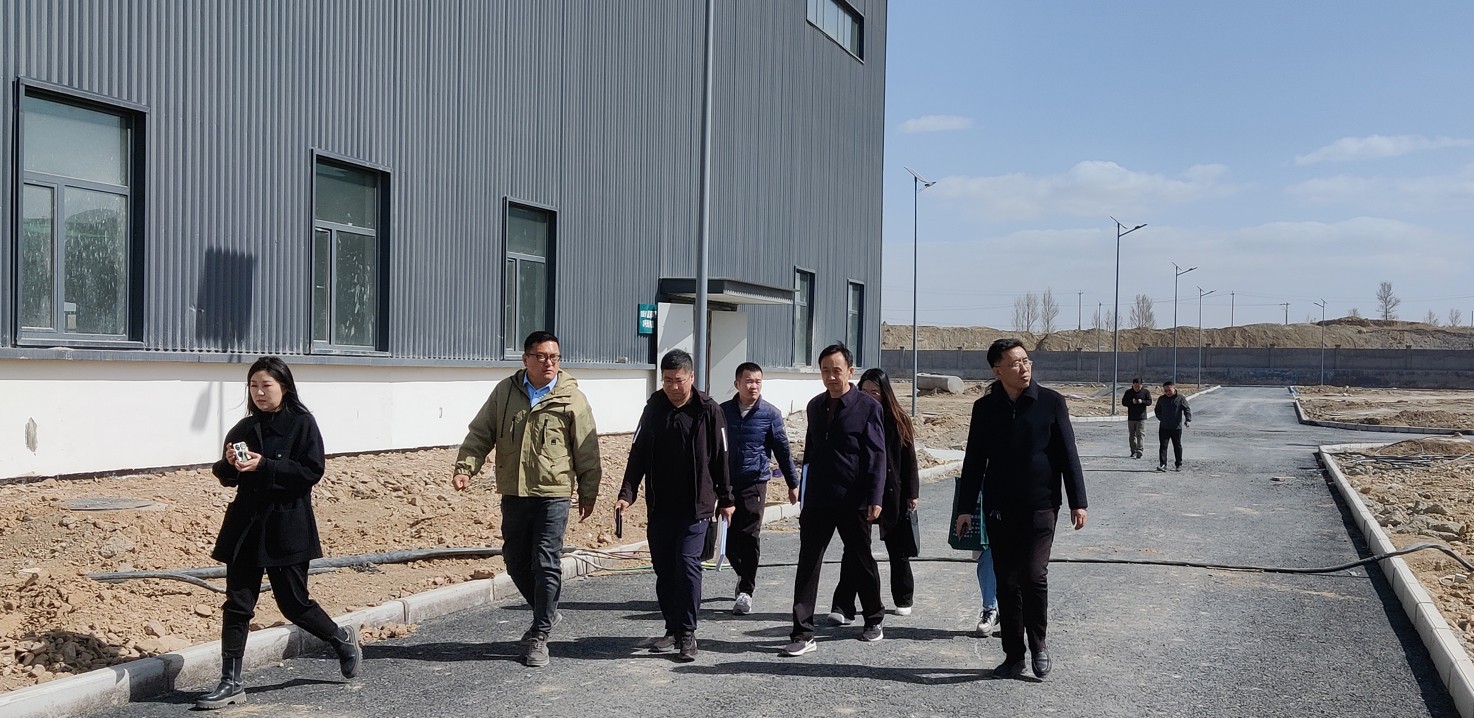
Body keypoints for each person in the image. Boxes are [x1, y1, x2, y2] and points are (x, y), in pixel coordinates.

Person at [197, 357, 360, 710]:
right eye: (254, 386)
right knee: (238, 605)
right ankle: (230, 682)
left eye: (266, 386)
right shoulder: (243, 428)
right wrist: (230, 464)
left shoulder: (302, 423)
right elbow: (226, 476)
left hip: (287, 526)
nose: (259, 393)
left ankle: (341, 638)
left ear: (284, 386)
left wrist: (266, 465)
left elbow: (311, 471)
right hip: (246, 526)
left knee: (294, 604)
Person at [451, 331, 603, 668]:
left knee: (546, 560)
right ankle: (545, 610)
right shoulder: (505, 392)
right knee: (515, 558)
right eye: (541, 356)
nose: (549, 363)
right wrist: (466, 467)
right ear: (526, 359)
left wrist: (588, 491)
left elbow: (587, 449)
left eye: (554, 357)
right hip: (515, 490)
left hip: (554, 492)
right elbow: (481, 432)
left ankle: (540, 634)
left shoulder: (571, 398)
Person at [955, 339, 1087, 680]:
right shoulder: (985, 409)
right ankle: (1014, 655)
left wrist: (1078, 501)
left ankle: (1038, 644)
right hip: (999, 509)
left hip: (1041, 505)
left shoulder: (1051, 402)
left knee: (1033, 575)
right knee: (1007, 581)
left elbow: (1068, 454)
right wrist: (965, 509)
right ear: (997, 370)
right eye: (1015, 363)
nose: (1024, 367)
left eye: (1026, 361)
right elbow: (974, 461)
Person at [616, 349, 735, 662]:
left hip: (696, 506)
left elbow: (722, 456)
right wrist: (627, 493)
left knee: (687, 564)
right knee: (665, 569)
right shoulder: (654, 408)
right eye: (667, 380)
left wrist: (727, 498)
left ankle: (688, 632)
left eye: (679, 380)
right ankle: (672, 627)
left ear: (691, 378)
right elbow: (638, 452)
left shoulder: (708, 410)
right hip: (661, 505)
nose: (673, 386)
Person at [780, 343, 887, 657]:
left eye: (836, 370)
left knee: (861, 559)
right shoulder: (815, 406)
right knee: (808, 563)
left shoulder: (868, 407)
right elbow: (810, 451)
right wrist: (800, 487)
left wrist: (875, 496)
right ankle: (802, 632)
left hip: (854, 499)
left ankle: (874, 617)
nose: (830, 376)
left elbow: (877, 455)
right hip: (818, 499)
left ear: (850, 371)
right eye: (825, 370)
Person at [830, 368, 919, 621]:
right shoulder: (852, 416)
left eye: (875, 392)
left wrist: (912, 492)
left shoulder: (898, 420)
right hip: (860, 492)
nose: (869, 396)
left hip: (892, 492)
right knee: (855, 550)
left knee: (897, 549)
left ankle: (903, 596)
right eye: (864, 391)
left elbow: (909, 460)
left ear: (885, 393)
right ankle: (843, 605)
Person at [719, 362, 799, 616]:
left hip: (755, 481)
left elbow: (783, 451)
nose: (753, 386)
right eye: (748, 381)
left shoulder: (770, 414)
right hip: (727, 483)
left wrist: (793, 483)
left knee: (750, 534)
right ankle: (743, 574)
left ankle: (746, 590)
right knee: (729, 538)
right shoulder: (722, 412)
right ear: (737, 384)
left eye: (757, 381)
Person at [1154, 380, 1192, 472]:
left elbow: (1186, 409)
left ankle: (1178, 464)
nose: (1167, 392)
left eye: (1169, 390)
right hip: (1164, 427)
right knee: (1163, 446)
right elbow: (1157, 410)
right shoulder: (1162, 399)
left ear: (1174, 388)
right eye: (1165, 391)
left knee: (1177, 446)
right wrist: (1161, 418)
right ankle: (1163, 464)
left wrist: (1188, 420)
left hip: (1176, 427)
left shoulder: (1180, 398)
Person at [1121, 377, 1152, 459]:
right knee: (1132, 436)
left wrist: (1142, 401)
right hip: (1131, 417)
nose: (1137, 388)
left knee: (1140, 434)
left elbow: (1149, 402)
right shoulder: (1128, 392)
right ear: (1132, 385)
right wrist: (1132, 402)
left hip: (1141, 417)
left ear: (1141, 385)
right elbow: (1124, 402)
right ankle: (1133, 450)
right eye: (1135, 386)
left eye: (1139, 386)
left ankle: (1140, 450)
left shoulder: (1145, 392)